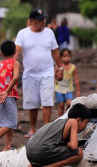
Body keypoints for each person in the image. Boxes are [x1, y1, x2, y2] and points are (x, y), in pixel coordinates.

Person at [15, 8, 64, 138]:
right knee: (32, 103)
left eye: (44, 19)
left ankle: (46, 128)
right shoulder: (23, 33)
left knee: (47, 101)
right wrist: (11, 65)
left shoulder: (49, 32)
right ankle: (32, 129)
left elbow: (55, 51)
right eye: (40, 20)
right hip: (30, 74)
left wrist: (60, 68)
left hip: (47, 72)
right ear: (32, 21)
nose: (43, 22)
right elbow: (17, 50)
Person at [22, 103, 92, 167]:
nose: (85, 128)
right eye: (85, 123)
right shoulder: (73, 122)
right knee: (79, 153)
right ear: (79, 120)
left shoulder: (58, 123)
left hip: (29, 152)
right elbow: (73, 146)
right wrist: (67, 143)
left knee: (51, 149)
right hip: (42, 150)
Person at [55, 48, 81, 116]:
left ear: (70, 57)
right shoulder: (58, 67)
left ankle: (67, 116)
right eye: (64, 56)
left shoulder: (73, 67)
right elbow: (54, 76)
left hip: (69, 89)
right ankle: (60, 120)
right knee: (61, 105)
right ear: (60, 57)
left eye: (68, 56)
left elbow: (76, 79)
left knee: (69, 103)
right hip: (59, 89)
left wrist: (78, 90)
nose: (66, 58)